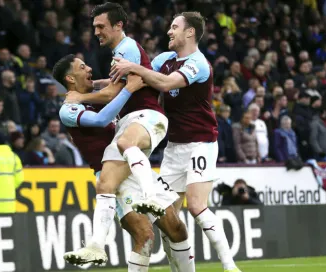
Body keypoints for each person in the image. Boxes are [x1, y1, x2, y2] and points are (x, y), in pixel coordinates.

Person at [110, 11, 240, 272]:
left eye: (174, 27)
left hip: (201, 143)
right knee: (167, 219)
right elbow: (137, 81)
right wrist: (92, 89)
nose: (169, 31)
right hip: (174, 148)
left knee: (196, 206)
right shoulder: (165, 59)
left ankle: (230, 266)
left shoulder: (198, 63)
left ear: (189, 32)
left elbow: (167, 84)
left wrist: (133, 66)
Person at [55, 55, 194, 271]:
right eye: (83, 67)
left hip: (130, 168)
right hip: (111, 176)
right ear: (70, 78)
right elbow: (101, 120)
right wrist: (128, 89)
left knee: (177, 229)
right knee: (145, 236)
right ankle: (95, 245)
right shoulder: (68, 109)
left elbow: (107, 88)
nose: (89, 68)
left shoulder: (93, 99)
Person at [65, 3, 168, 216]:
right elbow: (113, 85)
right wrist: (94, 85)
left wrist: (80, 96)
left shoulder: (127, 49)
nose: (96, 32)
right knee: (105, 185)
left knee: (123, 145)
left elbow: (112, 93)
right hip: (134, 121)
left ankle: (151, 197)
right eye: (94, 27)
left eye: (101, 26)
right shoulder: (121, 51)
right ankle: (96, 247)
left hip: (145, 116)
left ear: (118, 25)